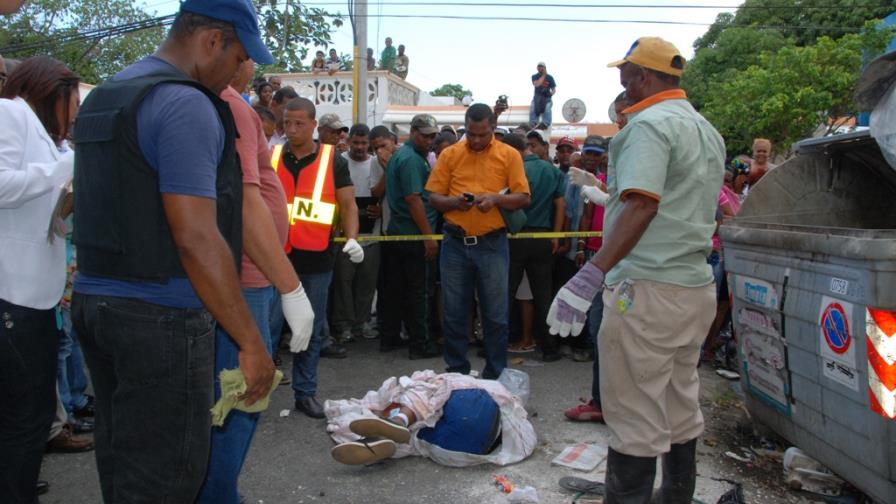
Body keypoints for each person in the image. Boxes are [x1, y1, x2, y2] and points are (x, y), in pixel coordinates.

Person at [70, 2, 278, 502]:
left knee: (125, 465)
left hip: (95, 305)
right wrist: (250, 342)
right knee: (168, 479)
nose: (239, 74)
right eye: (239, 57)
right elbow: (196, 236)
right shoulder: (185, 104)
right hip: (160, 317)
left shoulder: (107, 92)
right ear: (212, 40)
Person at [548, 36, 724, 503]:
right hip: (693, 288)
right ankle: (676, 497)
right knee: (679, 401)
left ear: (642, 77)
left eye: (625, 77)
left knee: (633, 414)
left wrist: (591, 273)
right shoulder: (706, 129)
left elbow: (643, 206)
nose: (622, 86)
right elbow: (668, 207)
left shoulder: (648, 126)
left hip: (647, 291)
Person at [197, 58, 314, 504]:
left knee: (229, 397)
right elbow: (247, 206)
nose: (252, 68)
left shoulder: (214, 104)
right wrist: (292, 288)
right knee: (240, 396)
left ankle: (217, 491)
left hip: (247, 275)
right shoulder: (229, 107)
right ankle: (218, 495)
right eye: (247, 55)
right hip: (247, 280)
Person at [0, 55, 80, 504]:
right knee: (24, 415)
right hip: (12, 290)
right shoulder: (9, 113)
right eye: (72, 102)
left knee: (28, 412)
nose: (74, 114)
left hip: (37, 294)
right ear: (53, 92)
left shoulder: (53, 142)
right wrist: (61, 172)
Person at [426, 103, 531, 380]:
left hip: (492, 244)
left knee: (495, 314)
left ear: (493, 129)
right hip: (455, 244)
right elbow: (434, 198)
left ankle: (495, 375)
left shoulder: (509, 155)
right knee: (453, 313)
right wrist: (455, 203)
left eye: (482, 135)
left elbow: (523, 197)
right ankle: (456, 374)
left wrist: (495, 199)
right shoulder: (450, 155)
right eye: (471, 134)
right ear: (465, 128)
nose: (476, 140)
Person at [274, 97, 362, 418]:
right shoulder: (271, 156)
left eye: (299, 123)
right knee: (267, 328)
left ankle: (305, 393)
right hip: (273, 256)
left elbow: (348, 205)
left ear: (314, 125)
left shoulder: (333, 160)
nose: (292, 129)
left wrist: (352, 238)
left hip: (315, 260)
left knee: (308, 330)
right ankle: (255, 390)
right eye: (287, 123)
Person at [325, 370, 536, 467]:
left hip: (455, 436)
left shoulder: (481, 388)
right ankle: (386, 439)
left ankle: (399, 422)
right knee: (419, 435)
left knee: (421, 391)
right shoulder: (511, 409)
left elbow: (435, 384)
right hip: (474, 446)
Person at [380, 114, 442, 359]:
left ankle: (391, 337)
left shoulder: (404, 156)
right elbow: (413, 199)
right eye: (425, 135)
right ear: (413, 132)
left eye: (432, 136)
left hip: (399, 232)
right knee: (418, 292)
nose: (429, 140)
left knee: (397, 290)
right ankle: (421, 344)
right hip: (413, 234)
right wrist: (428, 237)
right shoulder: (412, 160)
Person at [508, 131, 565, 362]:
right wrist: (556, 235)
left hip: (515, 236)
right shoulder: (551, 170)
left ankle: (497, 342)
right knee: (543, 294)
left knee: (506, 292)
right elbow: (560, 204)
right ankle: (548, 347)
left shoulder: (514, 168)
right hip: (543, 235)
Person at [332, 124, 382, 344]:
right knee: (343, 283)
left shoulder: (376, 164)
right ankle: (343, 326)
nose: (360, 147)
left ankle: (362, 323)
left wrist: (380, 208)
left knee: (366, 284)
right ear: (349, 141)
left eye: (364, 143)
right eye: (356, 142)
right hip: (344, 236)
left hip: (372, 236)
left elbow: (383, 193)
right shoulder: (339, 162)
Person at [529, 62, 556, 129]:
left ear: (545, 68)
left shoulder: (550, 77)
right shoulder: (534, 76)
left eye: (542, 67)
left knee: (547, 108)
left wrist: (550, 94)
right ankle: (533, 122)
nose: (540, 68)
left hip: (547, 98)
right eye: (539, 66)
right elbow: (537, 84)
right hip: (537, 97)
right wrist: (544, 75)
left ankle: (545, 123)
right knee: (533, 106)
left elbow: (554, 89)